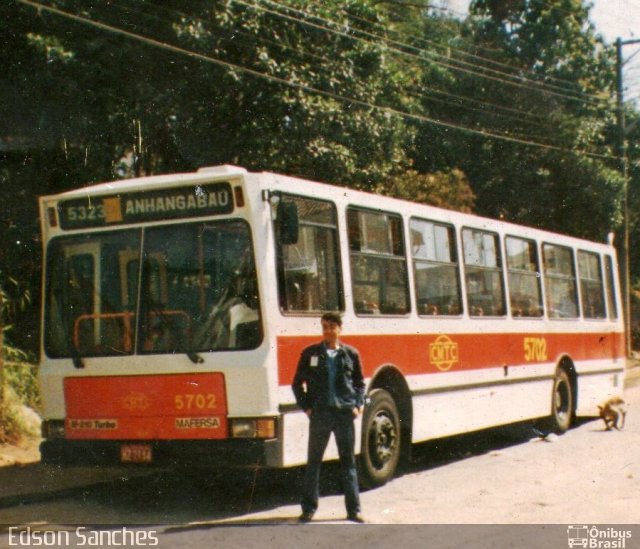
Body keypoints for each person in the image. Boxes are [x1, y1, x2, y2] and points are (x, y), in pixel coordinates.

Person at [291, 312, 366, 523]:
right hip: (320, 415)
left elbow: (360, 383)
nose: (328, 331)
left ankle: (354, 510)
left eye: (332, 327)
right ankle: (308, 509)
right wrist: (307, 408)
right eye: (324, 327)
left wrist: (358, 405)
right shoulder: (310, 353)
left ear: (340, 329)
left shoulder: (351, 354)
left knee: (348, 463)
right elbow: (297, 384)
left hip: (344, 415)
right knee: (313, 463)